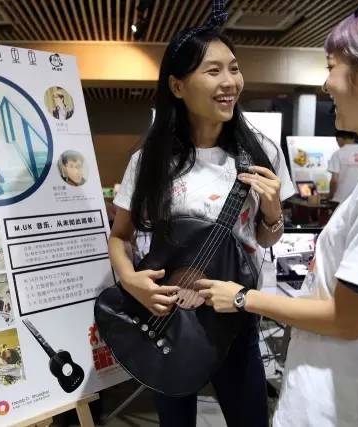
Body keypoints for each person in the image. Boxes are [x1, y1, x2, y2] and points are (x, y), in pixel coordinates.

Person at [197, 2, 358, 426]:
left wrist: (243, 298)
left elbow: (346, 319)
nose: (325, 83)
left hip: (337, 408)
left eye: (332, 67)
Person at [107, 4, 295, 425]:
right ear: (177, 86)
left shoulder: (261, 151)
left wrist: (271, 210)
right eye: (213, 71)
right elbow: (120, 236)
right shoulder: (150, 159)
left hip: (235, 316)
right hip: (168, 318)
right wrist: (131, 280)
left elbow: (265, 239)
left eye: (234, 68)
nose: (230, 82)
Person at [327, 130, 358, 203]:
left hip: (341, 198)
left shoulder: (338, 154)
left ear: (339, 139)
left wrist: (330, 195)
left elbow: (334, 180)